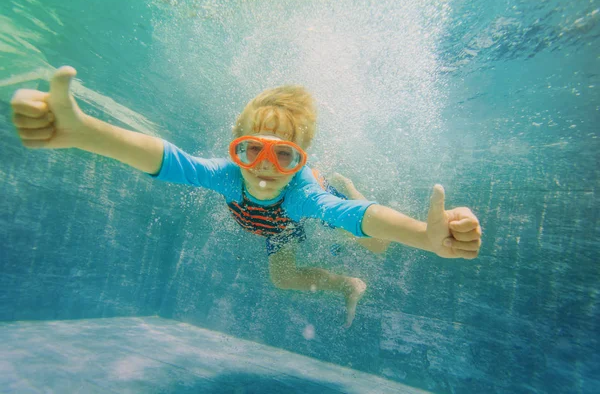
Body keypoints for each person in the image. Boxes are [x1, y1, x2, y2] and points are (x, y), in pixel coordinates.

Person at [9, 66, 482, 327]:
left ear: (301, 162)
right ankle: (347, 283)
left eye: (285, 157)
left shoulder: (300, 194)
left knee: (375, 241)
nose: (263, 167)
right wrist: (83, 132)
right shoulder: (225, 176)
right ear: (233, 150)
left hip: (287, 223)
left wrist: (425, 235)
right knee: (283, 280)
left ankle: (346, 193)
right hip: (270, 227)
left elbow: (353, 214)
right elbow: (167, 158)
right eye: (251, 150)